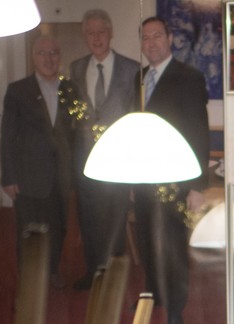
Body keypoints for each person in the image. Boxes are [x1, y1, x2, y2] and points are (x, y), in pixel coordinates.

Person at [132, 16, 208, 324]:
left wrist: (198, 186)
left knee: (174, 247)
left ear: (170, 38)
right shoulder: (139, 78)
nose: (151, 43)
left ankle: (176, 312)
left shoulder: (188, 77)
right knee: (148, 241)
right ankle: (155, 297)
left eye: (157, 36)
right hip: (144, 179)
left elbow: (198, 132)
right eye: (146, 38)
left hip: (177, 180)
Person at [0, 34, 78, 288]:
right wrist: (8, 177)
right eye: (42, 53)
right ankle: (30, 279)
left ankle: (52, 272)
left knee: (58, 228)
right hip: (28, 176)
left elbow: (76, 133)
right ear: (34, 57)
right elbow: (7, 136)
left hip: (61, 176)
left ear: (60, 57)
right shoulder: (18, 90)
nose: (49, 58)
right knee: (30, 231)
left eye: (53, 53)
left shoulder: (71, 89)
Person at [69, 9, 139, 289]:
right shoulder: (75, 68)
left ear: (110, 33)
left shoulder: (132, 69)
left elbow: (136, 116)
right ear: (85, 37)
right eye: (90, 33)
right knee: (89, 218)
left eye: (101, 32)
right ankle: (94, 271)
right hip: (85, 159)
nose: (96, 38)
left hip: (119, 159)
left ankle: (113, 272)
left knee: (115, 215)